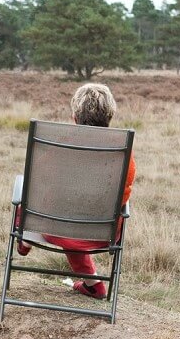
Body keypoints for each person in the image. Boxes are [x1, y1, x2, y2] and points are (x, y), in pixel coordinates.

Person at [18, 83, 136, 299]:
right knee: (77, 219)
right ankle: (94, 285)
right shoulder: (123, 153)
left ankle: (25, 238)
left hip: (55, 226)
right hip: (102, 232)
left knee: (27, 190)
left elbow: (40, 177)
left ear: (74, 116)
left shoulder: (60, 146)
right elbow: (124, 194)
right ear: (110, 116)